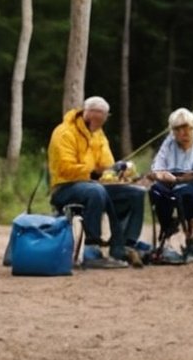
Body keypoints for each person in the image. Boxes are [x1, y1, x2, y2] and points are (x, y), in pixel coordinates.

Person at [48, 96, 146, 266]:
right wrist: (92, 173)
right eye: (94, 120)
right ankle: (91, 247)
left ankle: (124, 246)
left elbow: (106, 165)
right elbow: (65, 167)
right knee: (95, 191)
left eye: (101, 121)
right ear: (85, 113)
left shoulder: (98, 134)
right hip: (65, 187)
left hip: (95, 185)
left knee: (136, 193)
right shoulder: (64, 132)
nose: (97, 125)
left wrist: (118, 171)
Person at [149, 108, 193, 259]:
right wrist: (162, 174)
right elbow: (157, 165)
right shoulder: (169, 142)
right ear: (172, 131)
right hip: (173, 182)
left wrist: (189, 176)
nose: (183, 132)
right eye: (177, 129)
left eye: (186, 127)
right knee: (156, 190)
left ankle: (190, 238)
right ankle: (169, 229)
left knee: (185, 192)